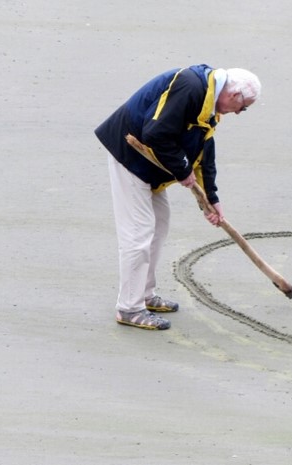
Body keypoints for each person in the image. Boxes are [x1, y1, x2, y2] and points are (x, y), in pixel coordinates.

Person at [95, 65, 261, 330]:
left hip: (151, 166)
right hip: (129, 157)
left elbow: (204, 149)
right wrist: (183, 171)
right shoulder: (191, 87)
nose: (240, 113)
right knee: (138, 233)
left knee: (159, 224)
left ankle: (144, 295)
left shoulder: (210, 103)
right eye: (244, 107)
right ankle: (129, 308)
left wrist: (210, 199)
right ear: (234, 95)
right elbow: (154, 133)